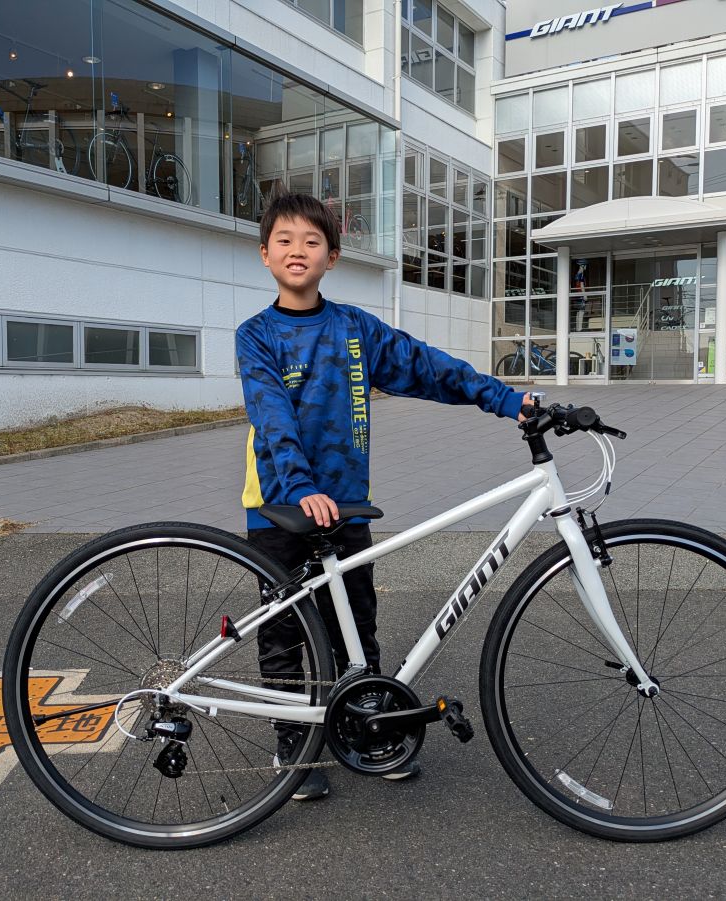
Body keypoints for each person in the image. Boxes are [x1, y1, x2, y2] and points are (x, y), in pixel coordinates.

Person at [236, 193, 530, 801]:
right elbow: (271, 415)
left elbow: (425, 367)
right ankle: (294, 746)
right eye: (285, 240)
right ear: (265, 254)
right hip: (279, 504)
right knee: (284, 634)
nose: (298, 250)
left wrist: (503, 398)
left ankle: (366, 727)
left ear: (332, 257)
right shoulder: (256, 336)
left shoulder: (354, 328)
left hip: (345, 503)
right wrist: (301, 487)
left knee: (356, 622)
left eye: (312, 241)